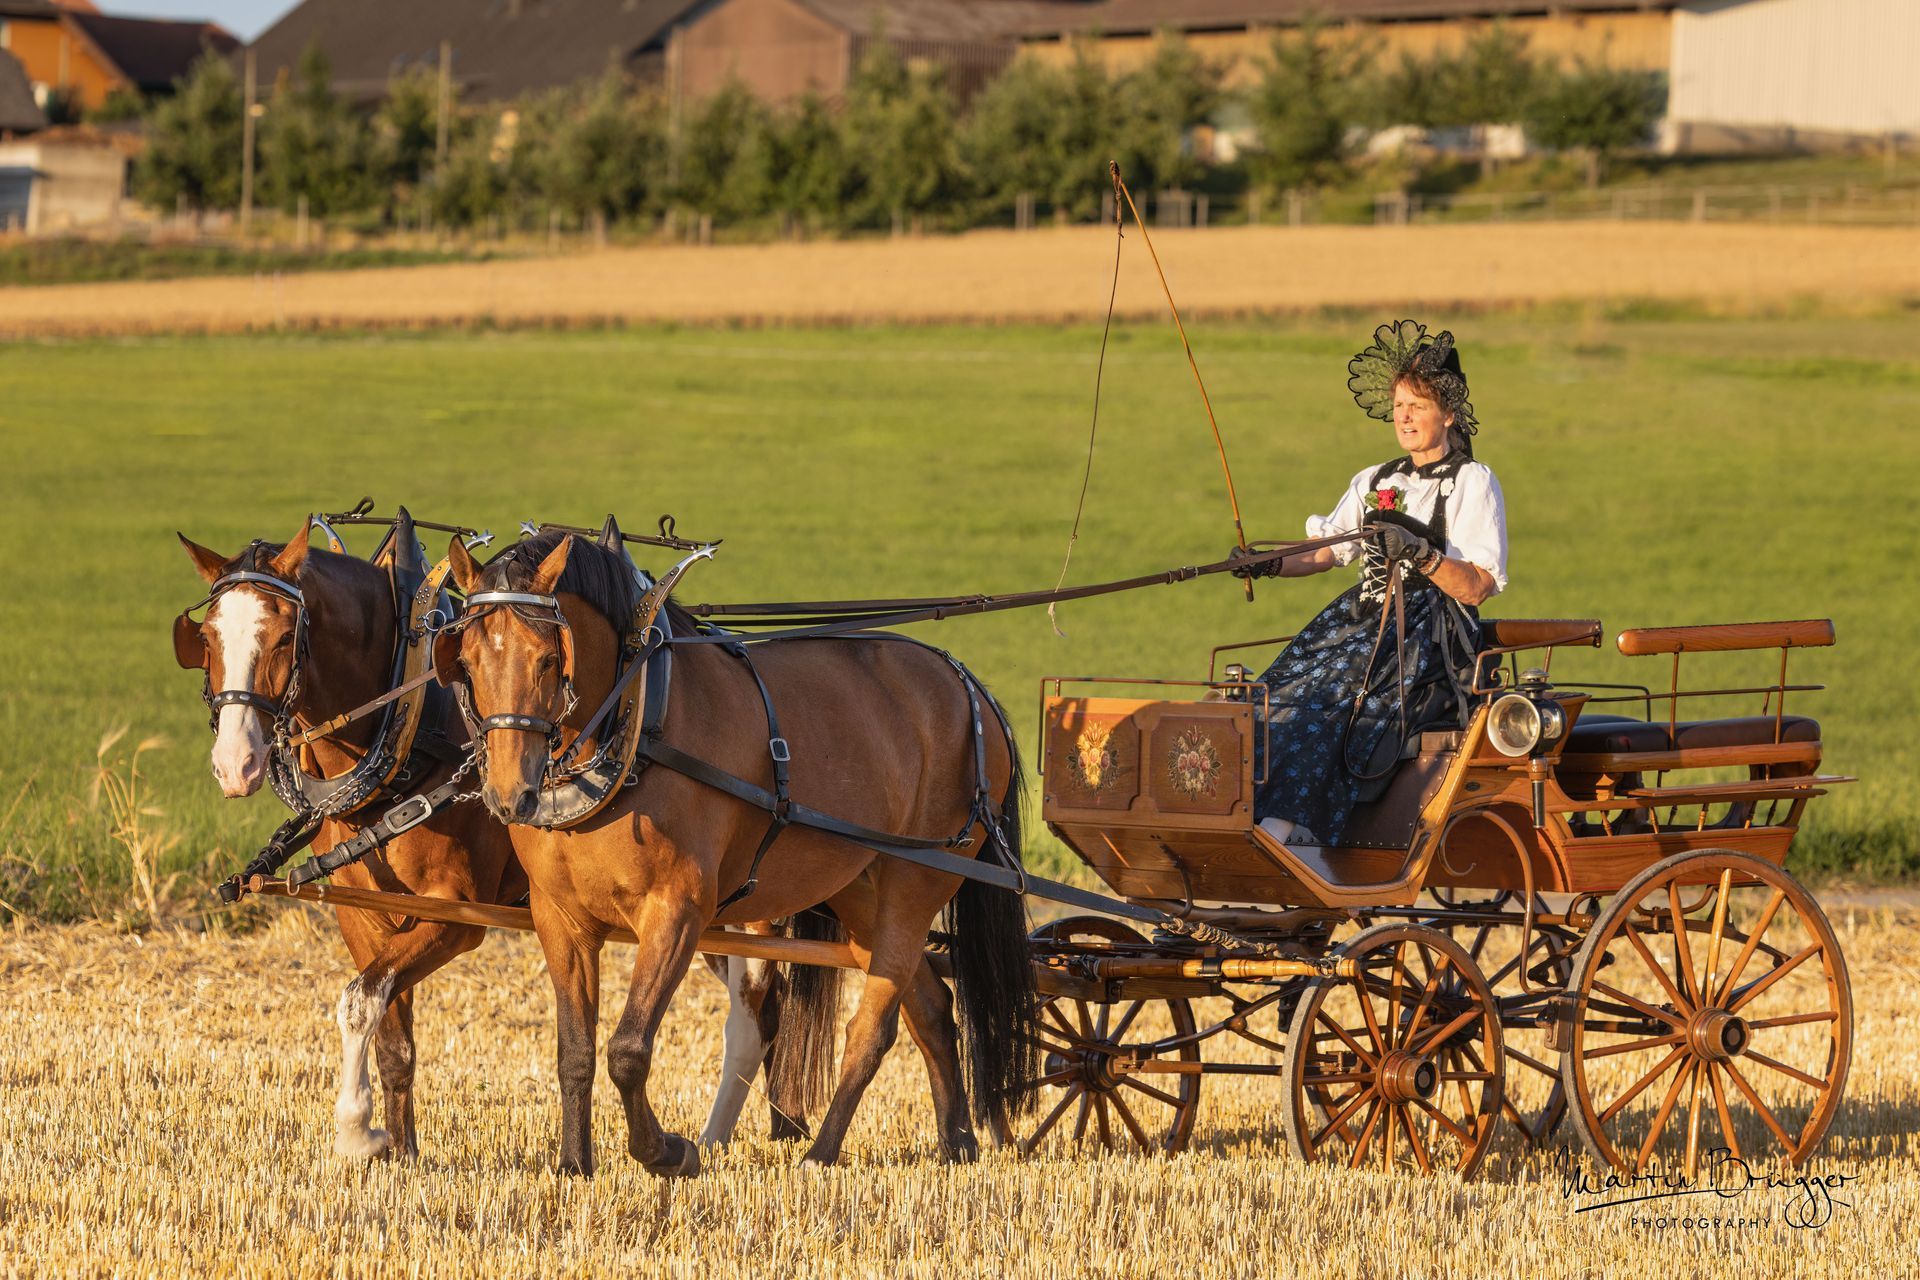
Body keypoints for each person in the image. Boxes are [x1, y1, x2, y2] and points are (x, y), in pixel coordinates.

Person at [1228, 320, 1508, 850]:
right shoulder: (1377, 480)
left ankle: (1283, 830)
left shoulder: (1473, 482)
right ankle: (1237, 810)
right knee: (1274, 693)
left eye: (1418, 406)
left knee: (1332, 696)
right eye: (1399, 406)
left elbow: (1476, 586)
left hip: (1428, 632)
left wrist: (1423, 555)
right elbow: (1327, 551)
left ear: (1448, 414)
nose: (1404, 417)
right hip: (1362, 619)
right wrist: (1267, 564)